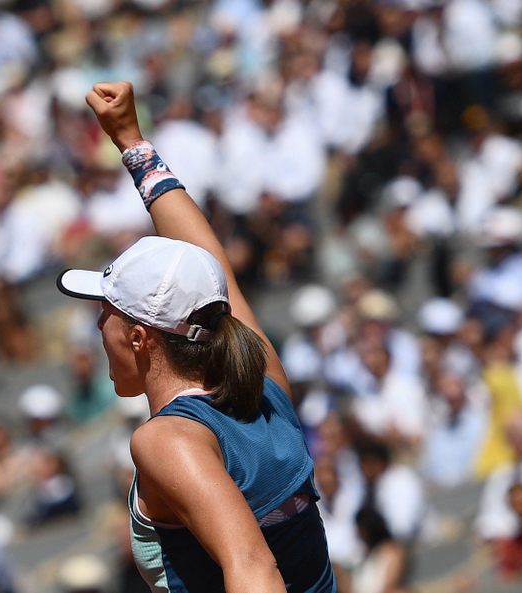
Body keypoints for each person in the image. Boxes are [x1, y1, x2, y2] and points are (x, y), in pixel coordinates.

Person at [56, 81, 335, 593]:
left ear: (140, 337)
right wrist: (131, 143)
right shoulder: (262, 381)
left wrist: (130, 142)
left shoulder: (166, 439)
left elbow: (253, 570)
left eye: (105, 314)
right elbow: (207, 256)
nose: (97, 327)